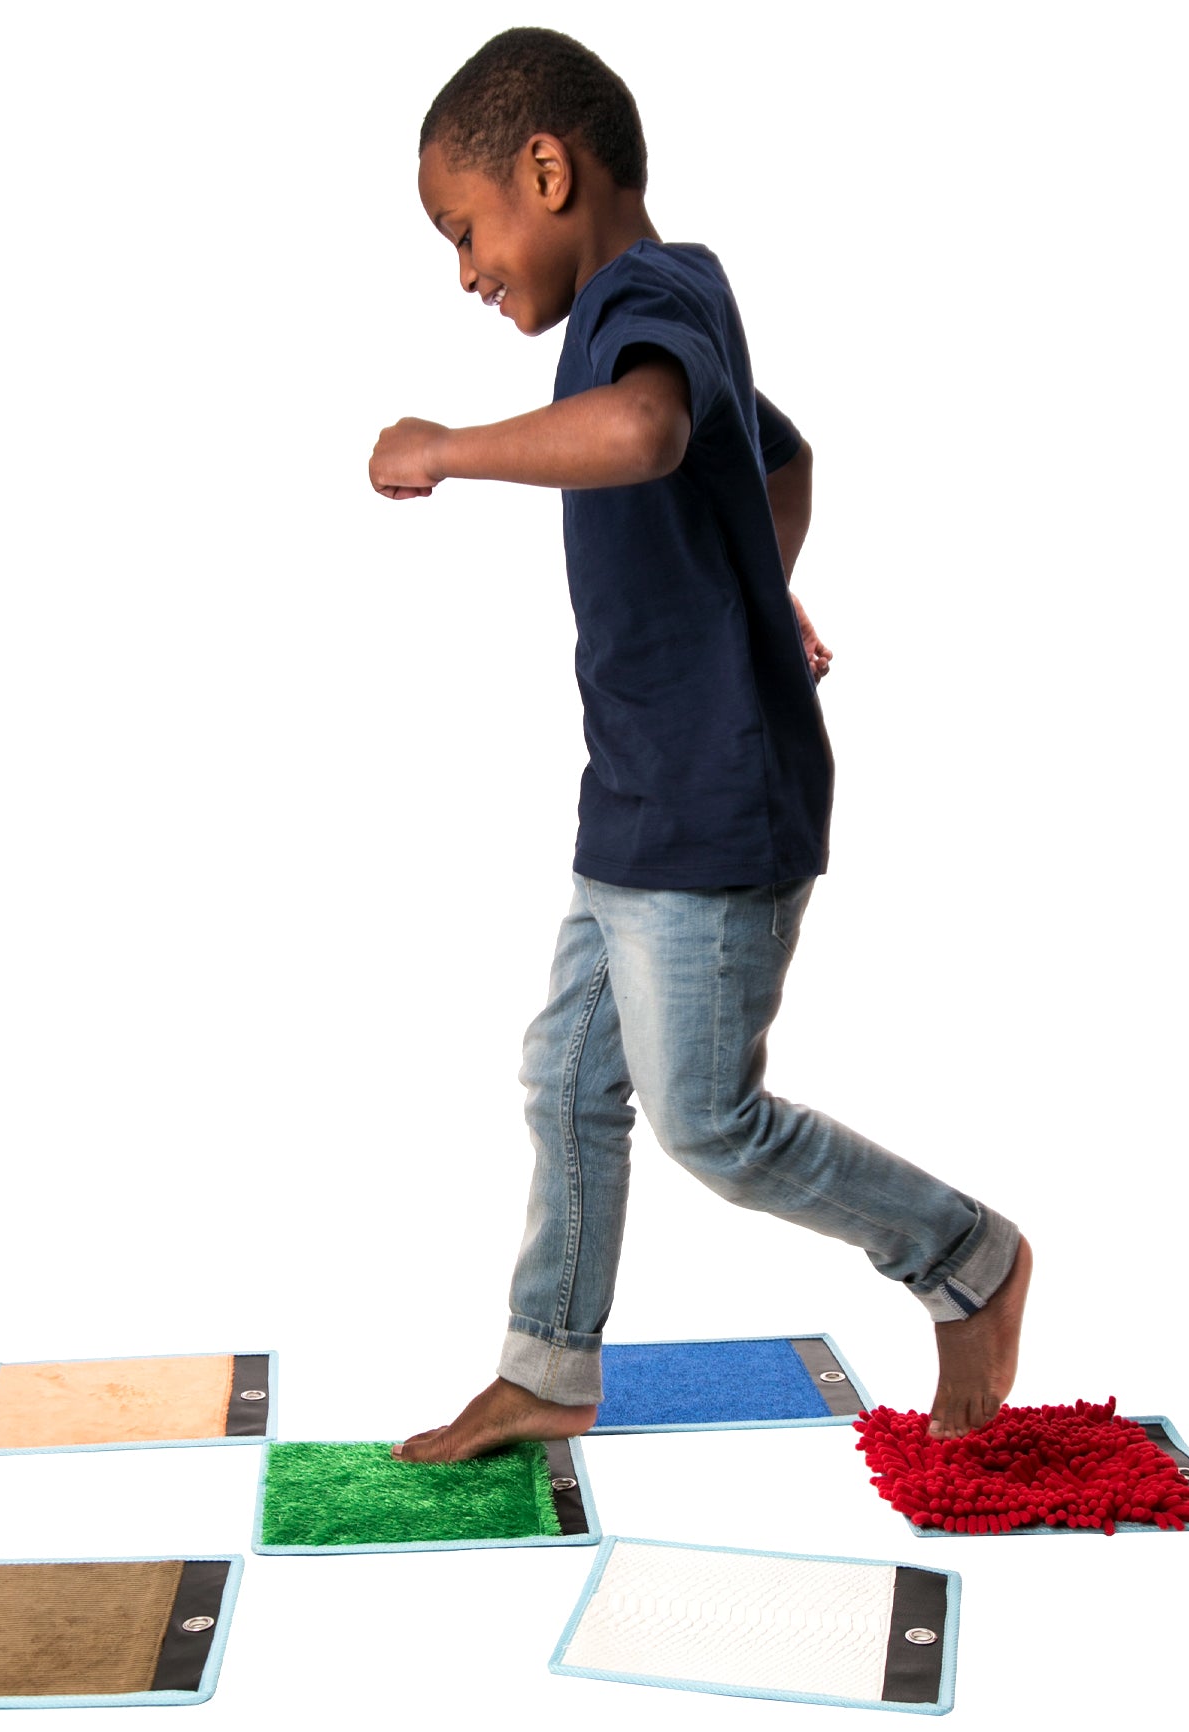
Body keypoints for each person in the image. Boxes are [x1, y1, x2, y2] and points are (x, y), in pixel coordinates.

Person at [368, 27, 1031, 1463]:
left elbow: (658, 435)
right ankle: (546, 1367)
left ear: (548, 170)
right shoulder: (664, 299)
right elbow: (774, 456)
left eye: (464, 228)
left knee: (711, 1125)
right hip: (639, 797)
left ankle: (966, 1258)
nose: (466, 270)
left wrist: (446, 446)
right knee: (564, 1077)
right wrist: (759, 585)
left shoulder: (645, 306)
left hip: (717, 804)